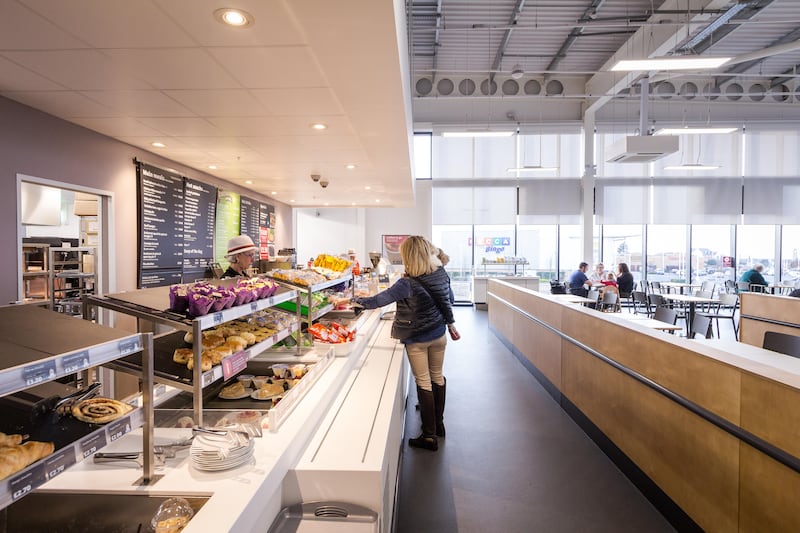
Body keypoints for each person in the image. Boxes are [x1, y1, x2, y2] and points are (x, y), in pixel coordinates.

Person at [352, 236, 456, 451]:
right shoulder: (441, 275)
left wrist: (354, 300)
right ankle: (438, 425)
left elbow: (377, 301)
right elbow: (450, 300)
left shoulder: (406, 283)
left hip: (418, 338)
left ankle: (428, 437)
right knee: (437, 375)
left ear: (408, 256)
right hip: (439, 334)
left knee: (424, 381)